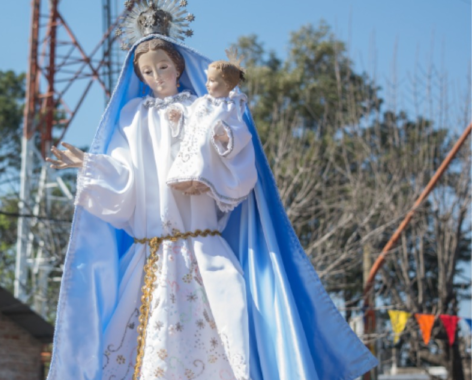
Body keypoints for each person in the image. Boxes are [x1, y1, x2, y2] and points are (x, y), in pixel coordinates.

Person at [44, 2, 377, 379]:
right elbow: (125, 175)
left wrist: (222, 136)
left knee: (226, 332)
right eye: (148, 71)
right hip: (150, 255)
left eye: (163, 67)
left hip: (204, 250)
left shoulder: (201, 107)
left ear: (179, 66)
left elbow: (233, 149)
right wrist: (88, 164)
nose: (157, 77)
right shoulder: (132, 115)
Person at [167, 47, 256, 211]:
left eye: (213, 81)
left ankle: (200, 184)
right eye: (207, 80)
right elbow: (191, 113)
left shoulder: (230, 106)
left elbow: (240, 128)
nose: (207, 84)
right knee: (192, 158)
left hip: (210, 142)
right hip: (195, 138)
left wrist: (226, 135)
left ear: (227, 84)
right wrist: (180, 117)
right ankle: (189, 183)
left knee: (203, 159)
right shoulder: (202, 101)